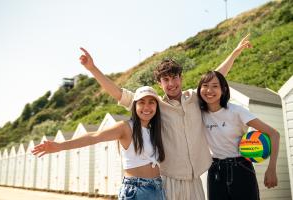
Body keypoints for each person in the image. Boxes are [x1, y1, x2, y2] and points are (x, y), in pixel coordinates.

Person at [79, 34, 252, 200]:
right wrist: (93, 69)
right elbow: (119, 94)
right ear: (159, 83)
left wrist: (235, 53)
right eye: (166, 80)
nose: (171, 84)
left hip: (195, 180)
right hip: (168, 179)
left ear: (181, 78)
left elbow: (216, 77)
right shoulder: (154, 105)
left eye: (174, 78)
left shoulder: (195, 97)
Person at [32, 86, 166, 200]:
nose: (146, 107)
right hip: (137, 190)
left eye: (151, 102)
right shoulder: (125, 127)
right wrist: (60, 145)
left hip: (158, 188)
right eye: (141, 102)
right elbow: (95, 136)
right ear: (135, 105)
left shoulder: (154, 130)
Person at [197, 71, 280, 200]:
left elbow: (274, 134)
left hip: (241, 169)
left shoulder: (237, 111)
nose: (209, 90)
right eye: (205, 85)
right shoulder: (198, 113)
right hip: (215, 171)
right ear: (199, 89)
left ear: (223, 90)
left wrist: (271, 169)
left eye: (215, 86)